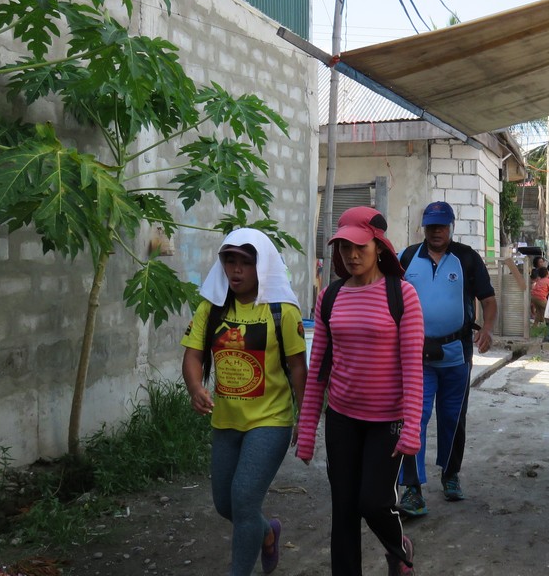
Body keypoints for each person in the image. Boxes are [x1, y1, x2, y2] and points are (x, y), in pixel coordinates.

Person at [296, 206, 424, 576]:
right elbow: (319, 368)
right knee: (344, 510)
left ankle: (398, 547)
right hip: (341, 418)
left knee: (373, 502)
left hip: (387, 421)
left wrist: (412, 428)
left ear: (379, 247)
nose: (351, 255)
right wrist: (307, 430)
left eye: (360, 247)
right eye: (344, 247)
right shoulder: (330, 297)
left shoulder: (402, 296)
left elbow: (412, 368)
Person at [181, 228, 307, 576]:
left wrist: (305, 416)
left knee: (245, 498)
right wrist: (195, 387)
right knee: (226, 504)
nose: (235, 270)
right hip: (226, 420)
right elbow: (193, 355)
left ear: (262, 266)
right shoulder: (211, 308)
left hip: (270, 420)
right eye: (229, 261)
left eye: (245, 263)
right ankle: (267, 532)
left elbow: (298, 367)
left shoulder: (282, 311)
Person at [396, 201, 497, 517]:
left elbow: (488, 300)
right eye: (431, 226)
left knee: (453, 417)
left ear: (451, 227)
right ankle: (412, 489)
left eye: (441, 226)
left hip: (456, 355)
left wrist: (487, 330)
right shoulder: (407, 258)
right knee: (414, 418)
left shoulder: (466, 258)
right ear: (424, 227)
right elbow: (390, 297)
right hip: (417, 356)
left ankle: (450, 475)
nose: (436, 231)